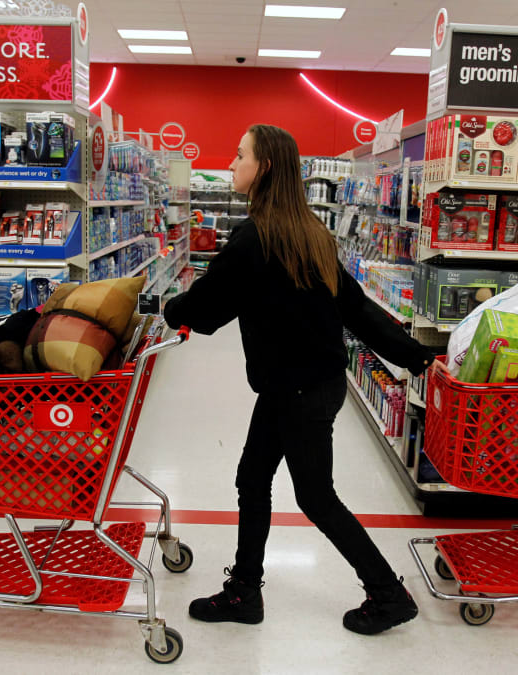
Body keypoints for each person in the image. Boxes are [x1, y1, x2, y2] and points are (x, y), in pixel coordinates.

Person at [163, 124, 433, 635]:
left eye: (239, 154)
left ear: (263, 167)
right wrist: (415, 357)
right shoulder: (308, 231)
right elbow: (358, 310)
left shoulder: (255, 237)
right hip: (304, 384)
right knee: (252, 478)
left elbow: (203, 308)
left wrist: (167, 306)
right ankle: (245, 590)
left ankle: (388, 593)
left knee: (315, 496)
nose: (232, 162)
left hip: (298, 390)